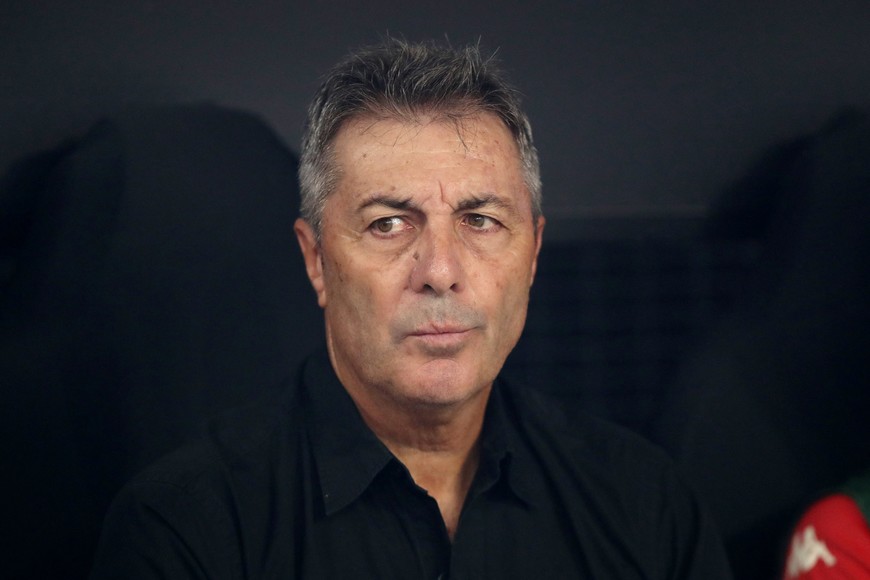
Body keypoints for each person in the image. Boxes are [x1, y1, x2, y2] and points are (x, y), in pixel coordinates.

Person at [90, 38, 732, 578]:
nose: (442, 272)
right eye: (389, 224)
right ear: (316, 260)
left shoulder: (645, 506)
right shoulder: (183, 531)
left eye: (480, 220)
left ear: (533, 255)